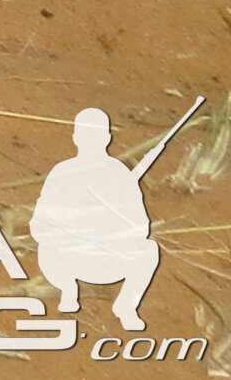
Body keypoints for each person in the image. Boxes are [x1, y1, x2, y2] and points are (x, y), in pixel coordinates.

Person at [29, 108, 162, 331]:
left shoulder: (120, 174)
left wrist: (113, 230)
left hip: (107, 257)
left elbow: (142, 227)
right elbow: (40, 223)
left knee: (149, 249)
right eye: (86, 135)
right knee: (49, 248)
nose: (91, 141)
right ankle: (68, 291)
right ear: (76, 138)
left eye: (96, 135)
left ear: (107, 138)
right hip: (66, 258)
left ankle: (126, 306)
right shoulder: (63, 172)